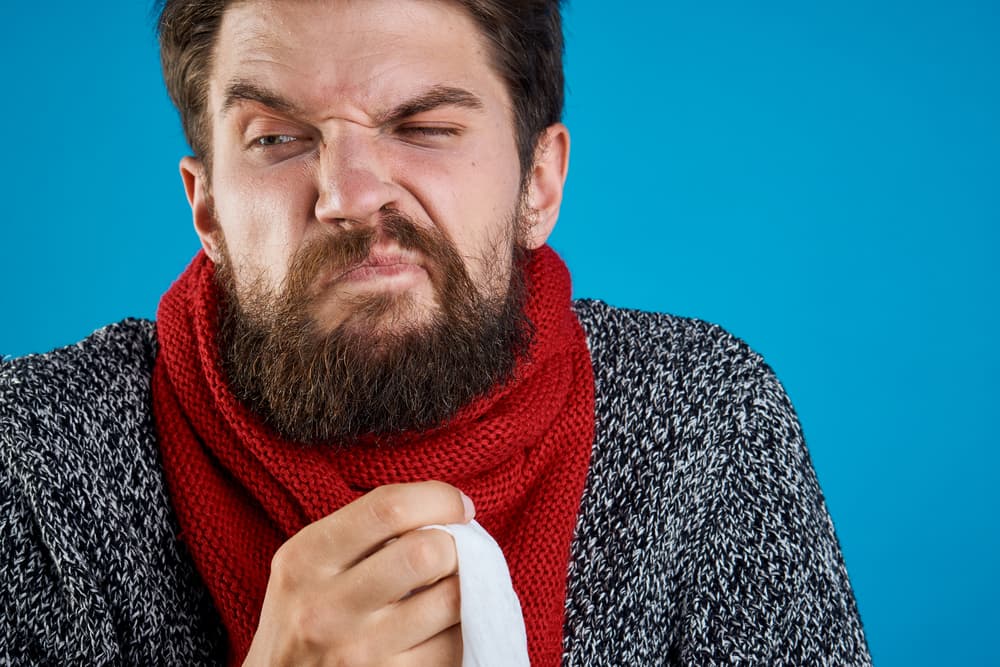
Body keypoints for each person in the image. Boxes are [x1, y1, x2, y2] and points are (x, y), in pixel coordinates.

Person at [0, 0, 872, 665]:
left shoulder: (704, 422)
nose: (349, 195)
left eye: (423, 128)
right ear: (208, 209)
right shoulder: (33, 456)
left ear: (538, 184)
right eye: (276, 138)